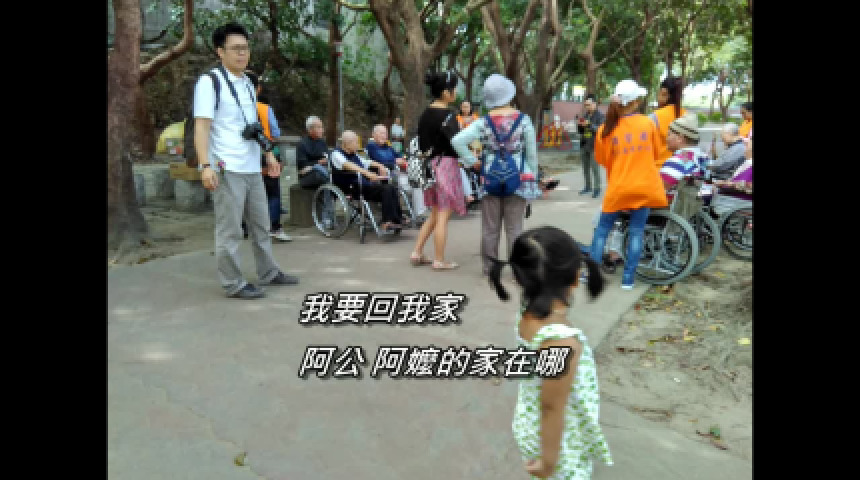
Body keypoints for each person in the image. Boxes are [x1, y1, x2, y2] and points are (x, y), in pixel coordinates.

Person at [487, 226, 613, 480]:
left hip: (529, 421)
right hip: (558, 442)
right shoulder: (561, 342)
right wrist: (548, 463)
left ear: (520, 279)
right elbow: (552, 408)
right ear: (577, 277)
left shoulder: (528, 311)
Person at [193, 22, 298, 299]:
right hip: (226, 167)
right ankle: (233, 283)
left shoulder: (247, 83)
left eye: (245, 48)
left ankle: (268, 272)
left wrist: (268, 155)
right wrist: (206, 166)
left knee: (262, 225)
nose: (242, 53)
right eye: (236, 48)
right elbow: (202, 127)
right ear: (220, 51)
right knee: (230, 230)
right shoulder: (210, 82)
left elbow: (253, 126)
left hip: (252, 166)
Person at [452, 73, 541, 276]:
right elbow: (531, 154)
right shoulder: (524, 120)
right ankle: (517, 270)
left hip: (490, 178)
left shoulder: (483, 122)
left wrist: (472, 161)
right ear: (509, 95)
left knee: (490, 228)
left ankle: (490, 269)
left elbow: (457, 141)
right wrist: (532, 180)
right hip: (518, 180)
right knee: (515, 228)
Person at [590, 79, 669, 290]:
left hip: (619, 188)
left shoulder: (605, 129)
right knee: (636, 232)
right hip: (644, 187)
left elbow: (602, 159)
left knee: (602, 230)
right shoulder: (647, 123)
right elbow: (655, 153)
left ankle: (591, 275)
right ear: (635, 102)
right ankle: (628, 280)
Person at [409, 70, 467, 270]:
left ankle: (417, 252)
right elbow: (456, 143)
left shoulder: (425, 114)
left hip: (429, 167)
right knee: (442, 216)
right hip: (446, 166)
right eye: (453, 89)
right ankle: (439, 260)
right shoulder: (449, 116)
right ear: (445, 92)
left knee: (434, 214)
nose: (455, 92)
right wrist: (470, 158)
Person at [242, 71, 291, 242]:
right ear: (258, 89)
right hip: (265, 153)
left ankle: (244, 227)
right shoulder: (264, 108)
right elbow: (275, 133)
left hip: (243, 157)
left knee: (244, 193)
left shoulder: (232, 108)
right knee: (273, 193)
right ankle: (274, 227)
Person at [330, 131, 405, 232]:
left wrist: (380, 166)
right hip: (351, 188)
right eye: (356, 142)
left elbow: (366, 162)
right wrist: (367, 173)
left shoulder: (354, 154)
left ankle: (397, 220)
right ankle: (387, 222)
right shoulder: (336, 154)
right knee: (386, 189)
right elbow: (347, 164)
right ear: (347, 143)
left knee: (391, 188)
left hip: (363, 185)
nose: (358, 145)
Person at [658, 113, 708, 192]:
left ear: (680, 138)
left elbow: (659, 192)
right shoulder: (703, 158)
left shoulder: (676, 162)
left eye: (669, 135)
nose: (666, 139)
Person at [649, 76, 686, 166]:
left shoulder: (654, 117)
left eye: (659, 94)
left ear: (664, 93)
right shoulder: (686, 115)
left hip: (659, 167)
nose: (658, 97)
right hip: (681, 167)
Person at [577, 94, 606, 198]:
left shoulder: (600, 116)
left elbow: (600, 130)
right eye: (586, 105)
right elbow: (580, 131)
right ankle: (588, 186)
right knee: (585, 168)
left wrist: (589, 125)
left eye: (589, 105)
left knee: (595, 168)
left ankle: (597, 188)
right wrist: (580, 125)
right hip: (584, 144)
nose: (587, 107)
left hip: (594, 145)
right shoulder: (585, 115)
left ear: (594, 104)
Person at [457, 100, 482, 206]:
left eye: (467, 106)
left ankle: (477, 192)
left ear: (471, 107)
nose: (465, 108)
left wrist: (476, 151)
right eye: (463, 106)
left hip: (474, 146)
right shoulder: (457, 118)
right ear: (460, 108)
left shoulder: (476, 118)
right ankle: (467, 194)